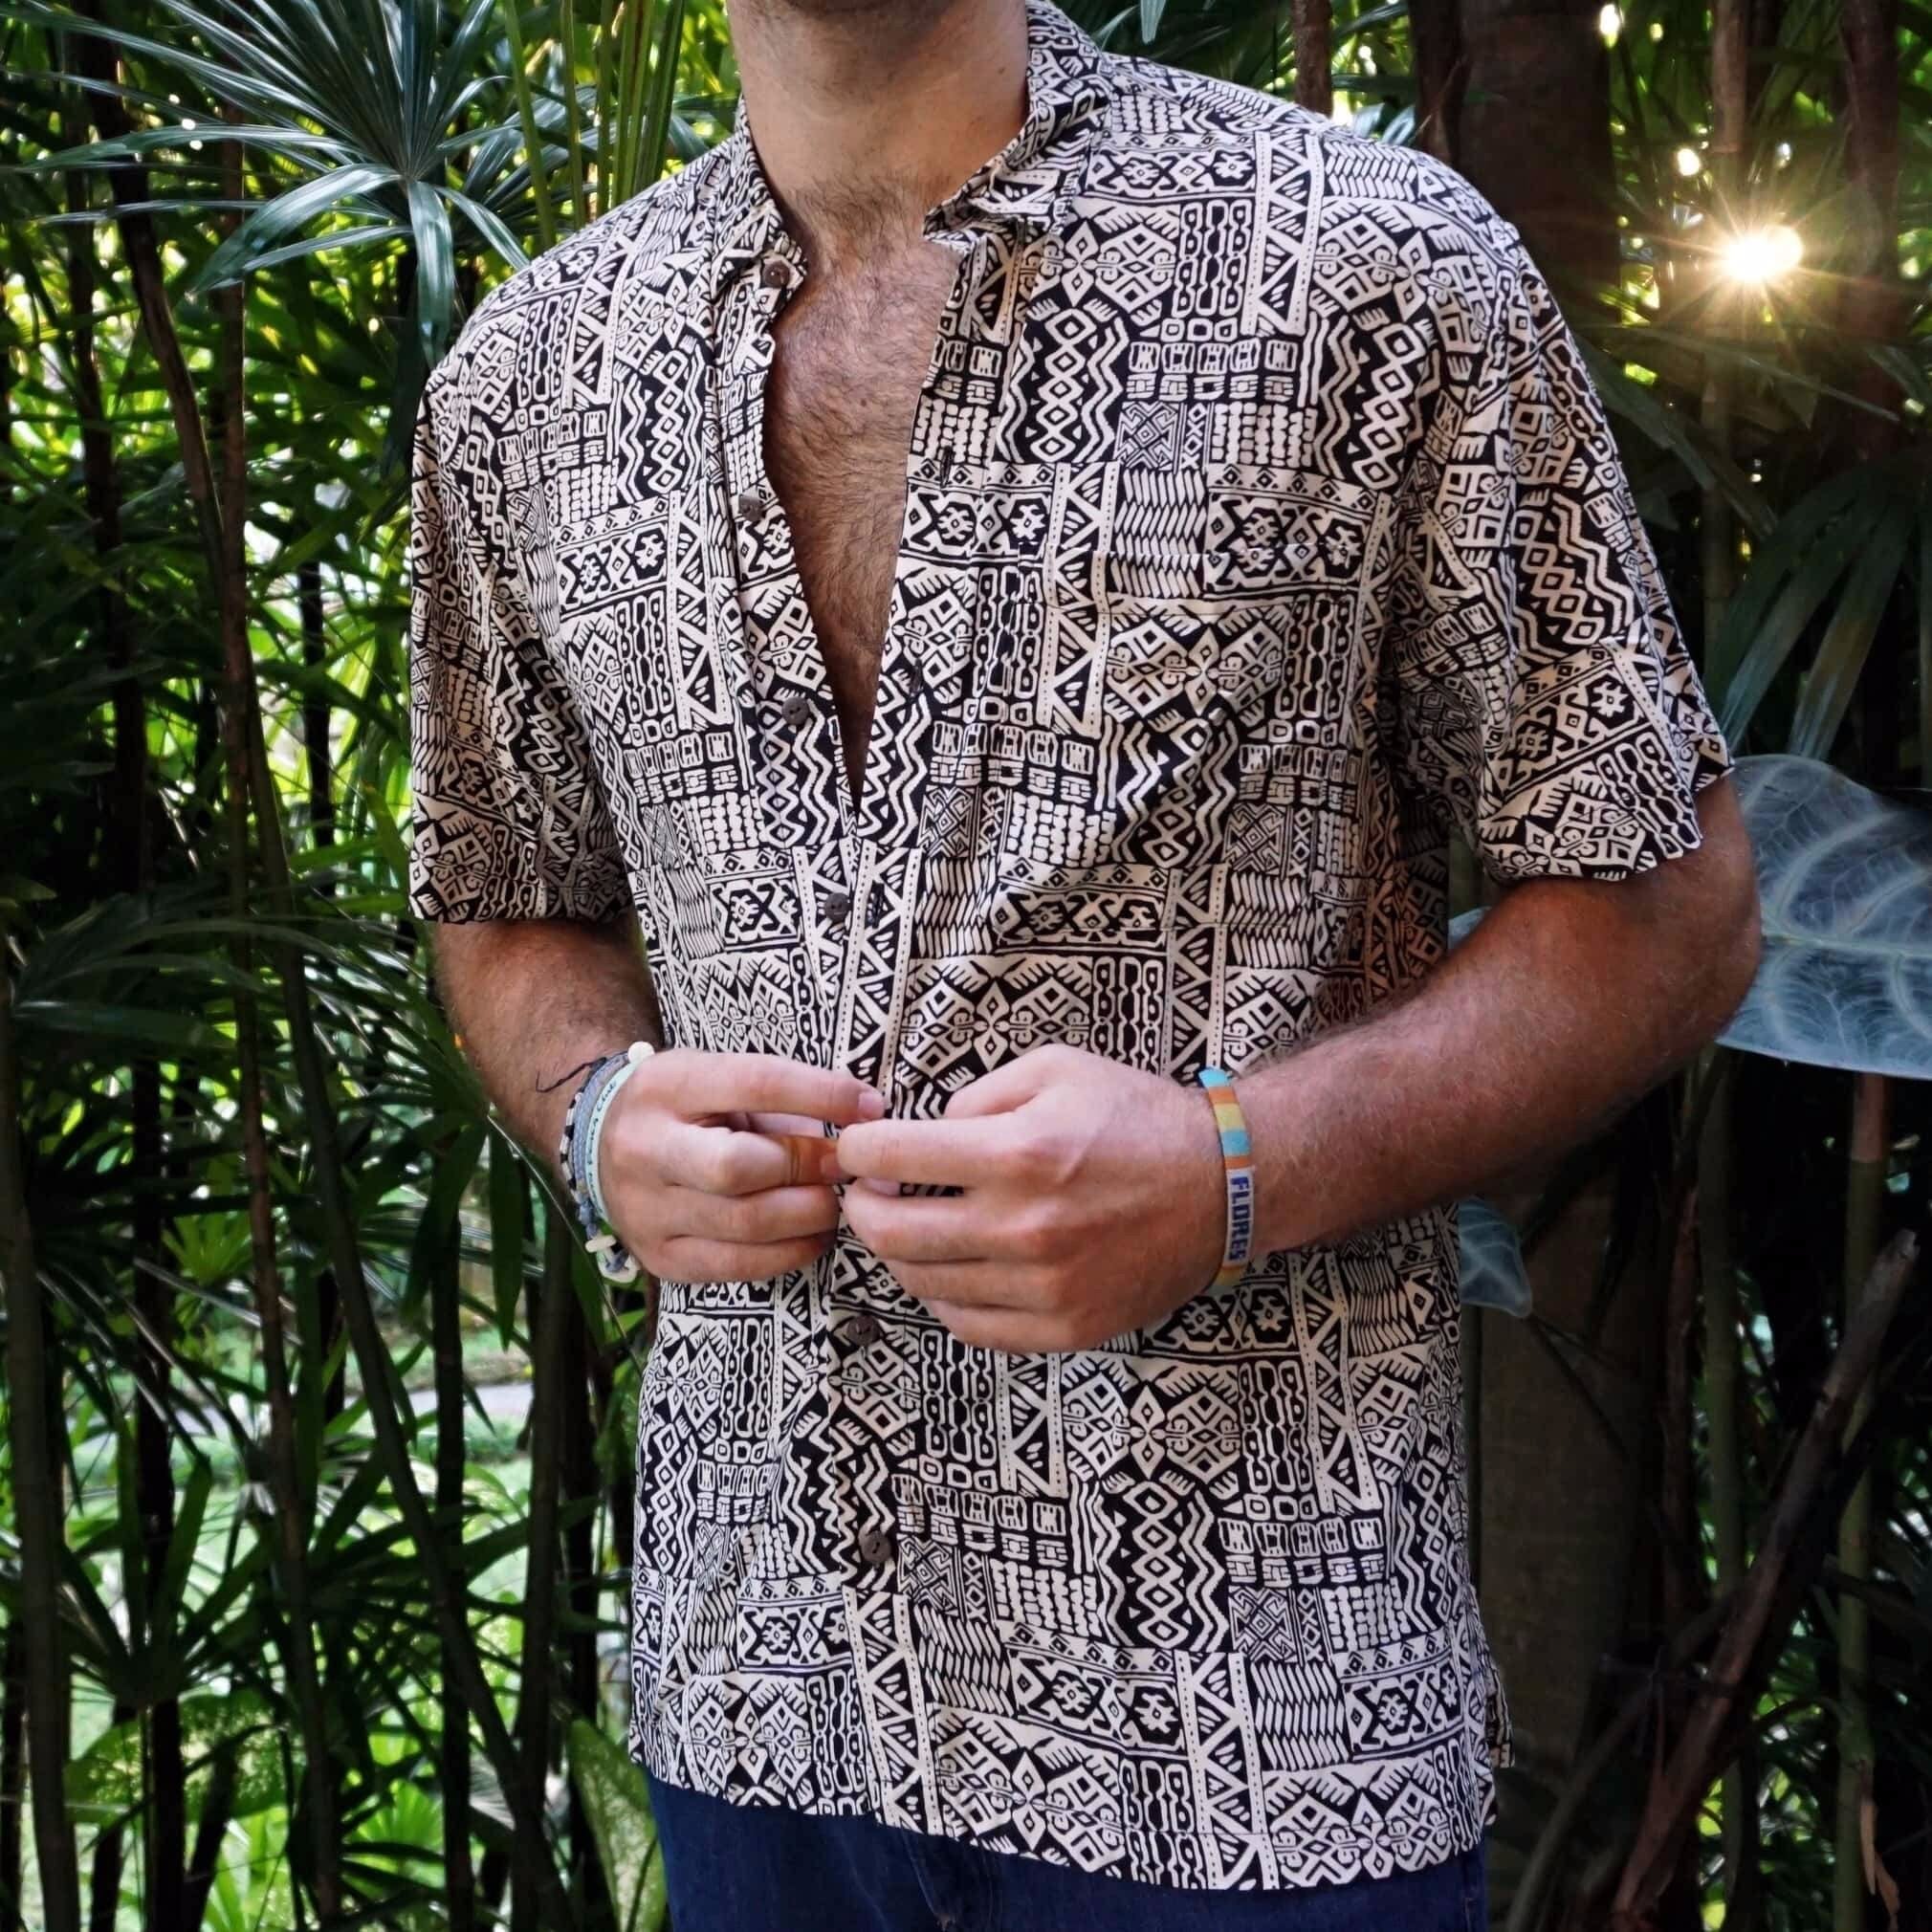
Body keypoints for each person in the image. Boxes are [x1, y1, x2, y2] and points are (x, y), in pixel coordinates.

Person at [405, 0, 1762, 1921]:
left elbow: (1668, 906)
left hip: (1255, 1723)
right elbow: (502, 900)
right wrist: (597, 1114)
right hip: (759, 1687)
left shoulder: (1363, 264)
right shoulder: (529, 374)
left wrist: (1234, 1168)